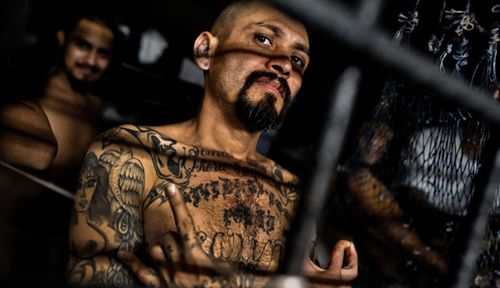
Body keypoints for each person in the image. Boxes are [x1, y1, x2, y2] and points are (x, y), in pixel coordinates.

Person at [66, 1, 357, 287]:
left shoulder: (292, 194)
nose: (284, 65)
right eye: (264, 39)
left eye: (297, 60)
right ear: (206, 51)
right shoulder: (130, 152)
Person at [0, 11, 120, 183]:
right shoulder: (35, 95)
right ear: (63, 39)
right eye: (83, 46)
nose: (91, 61)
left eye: (102, 53)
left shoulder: (96, 108)